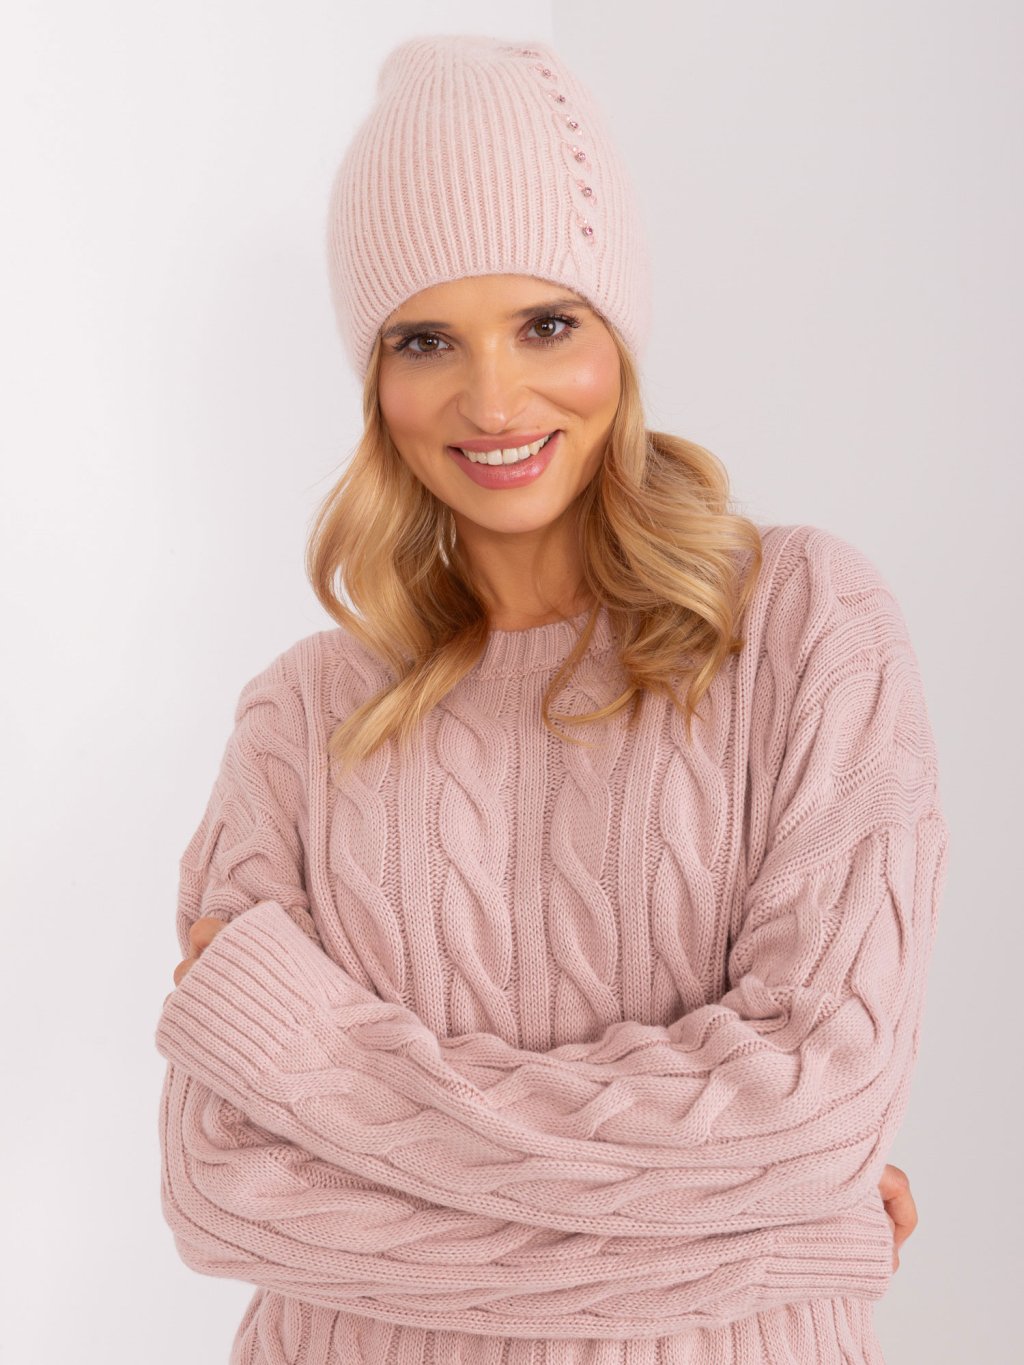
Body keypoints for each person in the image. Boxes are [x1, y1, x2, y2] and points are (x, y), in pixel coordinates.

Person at [155, 33, 947, 1365]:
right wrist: (788, 1238)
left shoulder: (808, 626)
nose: (492, 396)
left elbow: (817, 1106)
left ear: (617, 336)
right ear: (376, 379)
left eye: (546, 324)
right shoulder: (299, 720)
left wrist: (316, 1057)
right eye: (425, 339)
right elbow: (222, 1188)